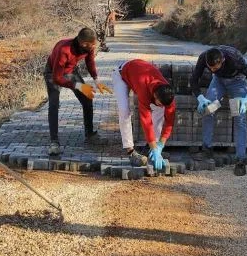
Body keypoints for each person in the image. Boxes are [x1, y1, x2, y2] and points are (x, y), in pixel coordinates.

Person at [191, 46, 247, 176]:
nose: (211, 70)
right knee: (208, 110)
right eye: (210, 68)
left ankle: (240, 160)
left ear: (222, 61)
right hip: (218, 81)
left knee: (238, 116)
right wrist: (200, 98)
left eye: (215, 68)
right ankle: (207, 149)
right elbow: (194, 80)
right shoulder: (204, 57)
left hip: (237, 82)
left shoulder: (235, 60)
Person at [44, 27, 112, 156]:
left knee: (87, 98)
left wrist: (96, 80)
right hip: (52, 73)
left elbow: (90, 61)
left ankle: (90, 134)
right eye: (92, 45)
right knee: (54, 105)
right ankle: (54, 142)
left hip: (70, 71)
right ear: (83, 43)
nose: (94, 47)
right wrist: (79, 86)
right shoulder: (64, 49)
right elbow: (57, 78)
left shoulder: (89, 47)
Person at [112, 59, 176, 170]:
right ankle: (130, 151)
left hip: (137, 72)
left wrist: (160, 145)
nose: (161, 105)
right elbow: (146, 121)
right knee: (124, 111)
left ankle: (152, 148)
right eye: (160, 103)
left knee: (159, 110)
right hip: (121, 75)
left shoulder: (167, 95)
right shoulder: (144, 90)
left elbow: (170, 122)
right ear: (155, 96)